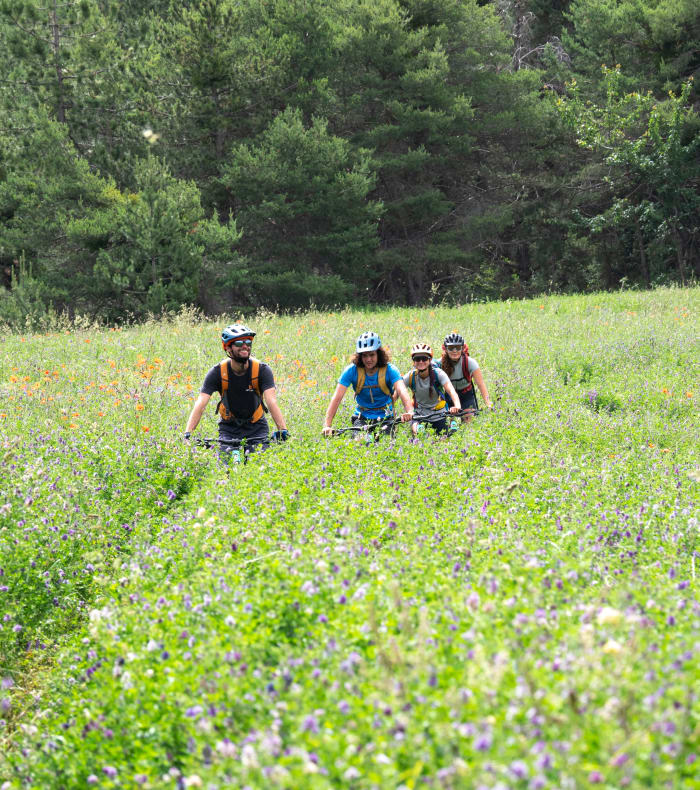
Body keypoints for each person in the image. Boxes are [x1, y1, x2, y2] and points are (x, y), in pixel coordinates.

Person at [184, 324, 288, 458]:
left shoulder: (262, 370)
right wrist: (188, 433)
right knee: (230, 468)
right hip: (229, 429)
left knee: (258, 467)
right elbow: (201, 403)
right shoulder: (217, 372)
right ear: (228, 347)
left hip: (257, 428)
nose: (245, 346)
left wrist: (282, 429)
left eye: (248, 342)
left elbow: (271, 401)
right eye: (239, 343)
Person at [322, 331, 413, 438]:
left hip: (386, 418)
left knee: (385, 444)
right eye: (364, 355)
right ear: (360, 356)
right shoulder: (351, 371)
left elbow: (402, 391)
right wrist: (327, 425)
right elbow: (337, 398)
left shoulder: (390, 370)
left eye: (372, 355)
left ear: (378, 354)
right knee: (360, 443)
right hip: (362, 418)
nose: (368, 359)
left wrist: (410, 411)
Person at [403, 343, 461, 436]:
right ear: (413, 361)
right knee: (417, 432)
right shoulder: (410, 376)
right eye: (417, 359)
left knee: (445, 437)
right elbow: (397, 393)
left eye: (424, 358)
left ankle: (451, 422)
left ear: (430, 360)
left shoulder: (438, 374)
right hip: (419, 414)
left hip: (439, 413)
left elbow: (451, 391)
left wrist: (457, 406)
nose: (421, 361)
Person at [437, 332, 492, 422]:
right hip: (448, 397)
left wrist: (488, 403)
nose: (454, 351)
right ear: (445, 349)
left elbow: (481, 384)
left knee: (468, 421)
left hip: (466, 396)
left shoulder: (470, 363)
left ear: (462, 348)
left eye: (458, 347)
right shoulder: (439, 364)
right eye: (451, 348)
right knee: (450, 425)